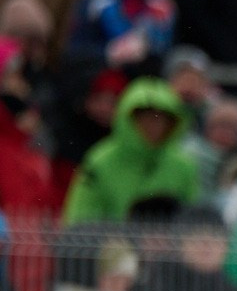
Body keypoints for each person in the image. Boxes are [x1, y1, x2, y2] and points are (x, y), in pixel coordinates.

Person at [60, 77, 198, 223]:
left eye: (160, 119)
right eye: (145, 118)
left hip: (166, 238)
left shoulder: (183, 166)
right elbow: (80, 218)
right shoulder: (100, 161)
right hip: (108, 237)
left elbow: (192, 220)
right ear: (128, 120)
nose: (153, 126)